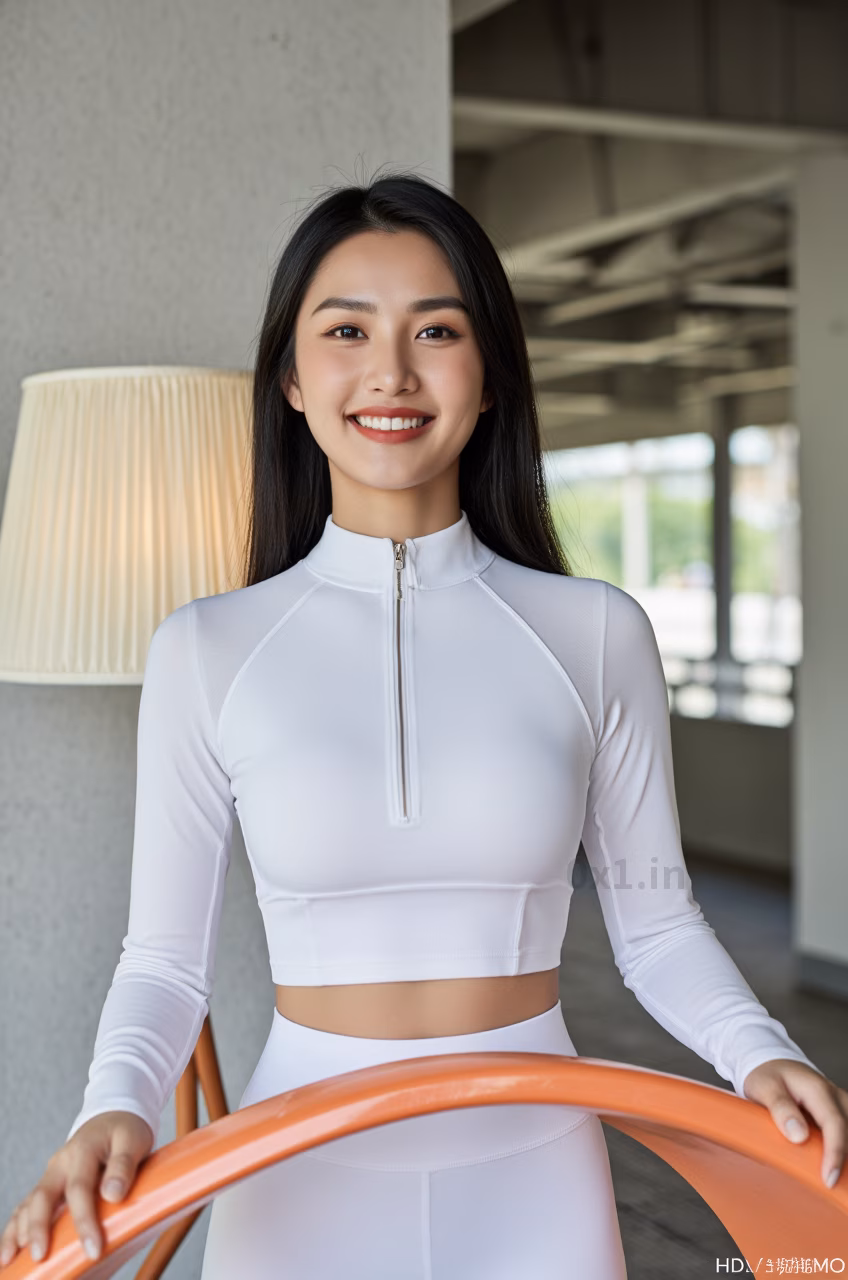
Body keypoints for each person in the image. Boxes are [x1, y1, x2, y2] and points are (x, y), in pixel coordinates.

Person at [3, 170, 846, 1278]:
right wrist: (113, 1103)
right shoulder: (206, 648)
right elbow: (164, 960)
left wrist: (760, 1054)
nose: (390, 371)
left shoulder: (594, 631)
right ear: (293, 381)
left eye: (435, 329)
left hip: (534, 1163)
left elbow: (655, 926)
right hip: (296, 1165)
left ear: (487, 373)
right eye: (345, 328)